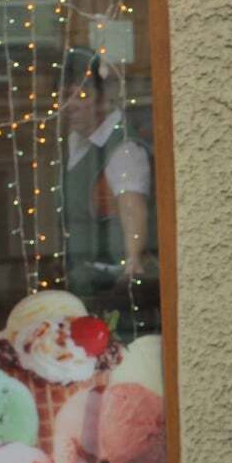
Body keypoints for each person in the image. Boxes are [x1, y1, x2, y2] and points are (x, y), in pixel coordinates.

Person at [61, 48, 158, 331]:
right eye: (65, 96)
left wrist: (132, 260)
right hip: (80, 282)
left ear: (103, 100)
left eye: (81, 96)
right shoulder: (75, 142)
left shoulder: (122, 148)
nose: (70, 105)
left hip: (111, 288)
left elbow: (131, 203)